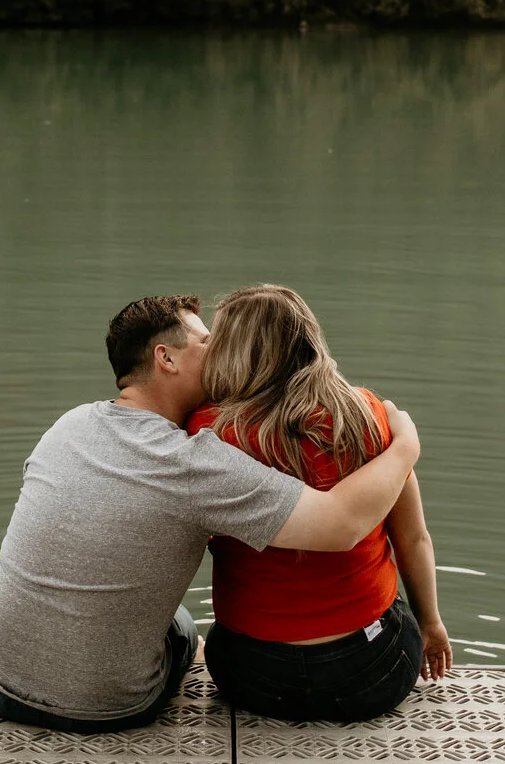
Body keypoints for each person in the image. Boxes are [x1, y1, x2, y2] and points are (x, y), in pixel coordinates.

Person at [0, 293, 423, 732]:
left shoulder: (68, 424)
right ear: (166, 359)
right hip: (109, 706)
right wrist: (405, 446)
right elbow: (340, 524)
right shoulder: (193, 460)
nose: (222, 352)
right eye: (208, 343)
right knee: (181, 626)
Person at [189, 284, 452, 721]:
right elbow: (412, 536)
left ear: (235, 350)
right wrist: (431, 625)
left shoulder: (207, 431)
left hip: (251, 676)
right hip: (371, 674)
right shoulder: (367, 418)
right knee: (393, 615)